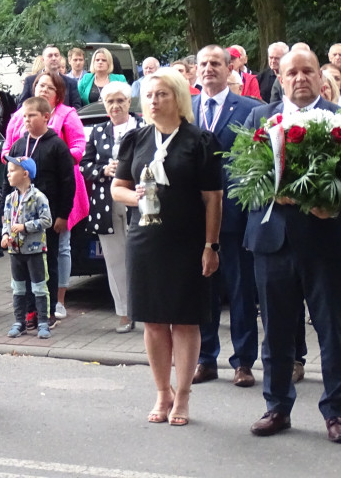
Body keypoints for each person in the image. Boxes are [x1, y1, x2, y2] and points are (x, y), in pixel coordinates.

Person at [111, 68, 222, 427]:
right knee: (154, 321)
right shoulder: (136, 140)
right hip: (146, 241)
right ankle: (162, 392)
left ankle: (184, 396)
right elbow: (119, 188)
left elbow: (213, 199)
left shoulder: (200, 141)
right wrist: (135, 195)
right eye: (149, 96)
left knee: (186, 321)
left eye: (162, 95)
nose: (154, 102)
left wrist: (211, 245)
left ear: (178, 98)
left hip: (187, 243)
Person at [242, 49, 341, 443]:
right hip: (273, 242)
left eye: (308, 71)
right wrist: (271, 192)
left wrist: (332, 205)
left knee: (333, 331)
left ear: (320, 76)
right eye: (292, 73)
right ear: (279, 78)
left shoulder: (338, 118)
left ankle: (335, 411)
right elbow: (240, 179)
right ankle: (277, 406)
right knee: (278, 331)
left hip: (326, 242)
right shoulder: (258, 118)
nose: (300, 78)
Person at [189, 46, 261, 387]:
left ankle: (243, 362)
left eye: (215, 63)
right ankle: (206, 358)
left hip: (235, 216)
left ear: (229, 67)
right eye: (202, 64)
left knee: (241, 290)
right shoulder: (184, 109)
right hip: (193, 218)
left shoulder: (250, 109)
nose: (208, 69)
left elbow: (254, 163)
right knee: (203, 289)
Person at [4, 72, 88, 322]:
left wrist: (62, 215)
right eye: (25, 116)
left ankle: (48, 311)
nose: (26, 121)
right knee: (25, 263)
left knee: (47, 263)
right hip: (22, 218)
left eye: (32, 116)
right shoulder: (19, 145)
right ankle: (30, 310)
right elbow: (12, 184)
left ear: (46, 117)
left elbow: (67, 182)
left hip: (47, 217)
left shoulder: (57, 145)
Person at [79, 82, 142, 332]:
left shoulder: (142, 128)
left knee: (142, 258)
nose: (115, 106)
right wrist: (102, 170)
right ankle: (125, 313)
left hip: (138, 200)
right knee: (115, 260)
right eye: (110, 102)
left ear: (129, 102)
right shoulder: (98, 132)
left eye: (120, 101)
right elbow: (84, 165)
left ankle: (147, 310)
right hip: (106, 203)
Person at [0, 155, 53, 338]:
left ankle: (44, 322)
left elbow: (47, 220)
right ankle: (19, 321)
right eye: (8, 172)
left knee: (39, 286)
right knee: (18, 287)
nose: (8, 175)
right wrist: (5, 235)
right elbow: (6, 221)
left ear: (25, 174)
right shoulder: (9, 199)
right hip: (15, 251)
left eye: (12, 171)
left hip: (35, 250)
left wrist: (25, 227)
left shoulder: (38, 197)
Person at [18, 45, 83, 108]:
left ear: (60, 58)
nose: (54, 58)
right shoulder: (30, 81)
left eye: (56, 55)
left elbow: (76, 108)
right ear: (42, 60)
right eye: (50, 56)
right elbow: (22, 107)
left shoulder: (71, 83)